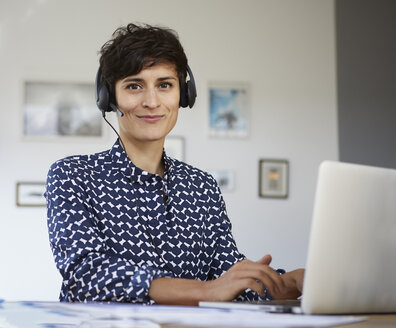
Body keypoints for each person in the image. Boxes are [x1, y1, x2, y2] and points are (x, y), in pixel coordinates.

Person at [45, 23, 304, 305]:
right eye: (134, 86)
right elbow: (87, 275)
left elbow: (227, 277)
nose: (152, 101)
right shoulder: (73, 175)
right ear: (110, 97)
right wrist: (206, 291)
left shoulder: (201, 186)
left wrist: (287, 281)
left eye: (165, 85)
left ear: (184, 94)